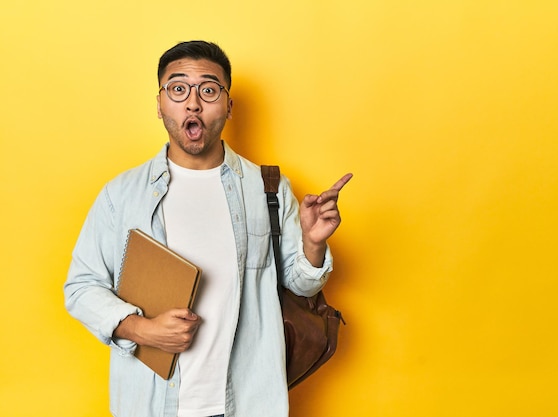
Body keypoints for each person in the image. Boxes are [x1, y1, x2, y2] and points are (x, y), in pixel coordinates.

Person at [64, 40, 352, 417]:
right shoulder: (121, 195)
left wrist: (313, 245)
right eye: (178, 88)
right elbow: (81, 286)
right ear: (159, 104)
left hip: (249, 401)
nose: (193, 102)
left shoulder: (267, 187)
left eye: (209, 89)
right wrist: (141, 329)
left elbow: (301, 285)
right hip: (151, 404)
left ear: (229, 106)